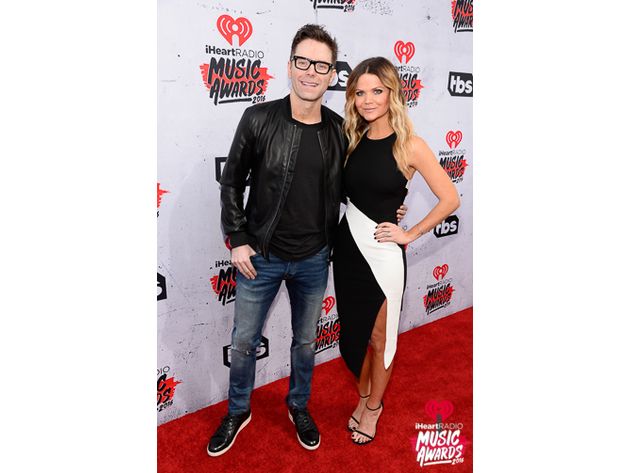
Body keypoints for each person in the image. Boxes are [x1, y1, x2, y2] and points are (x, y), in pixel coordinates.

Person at [332, 57, 460, 445]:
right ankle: (365, 394)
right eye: (359, 92)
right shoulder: (349, 138)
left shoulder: (411, 146)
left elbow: (450, 198)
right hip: (349, 247)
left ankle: (372, 408)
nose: (367, 100)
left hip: (384, 254)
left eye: (377, 91)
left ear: (392, 93)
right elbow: (350, 193)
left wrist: (410, 232)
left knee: (380, 337)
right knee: (354, 333)